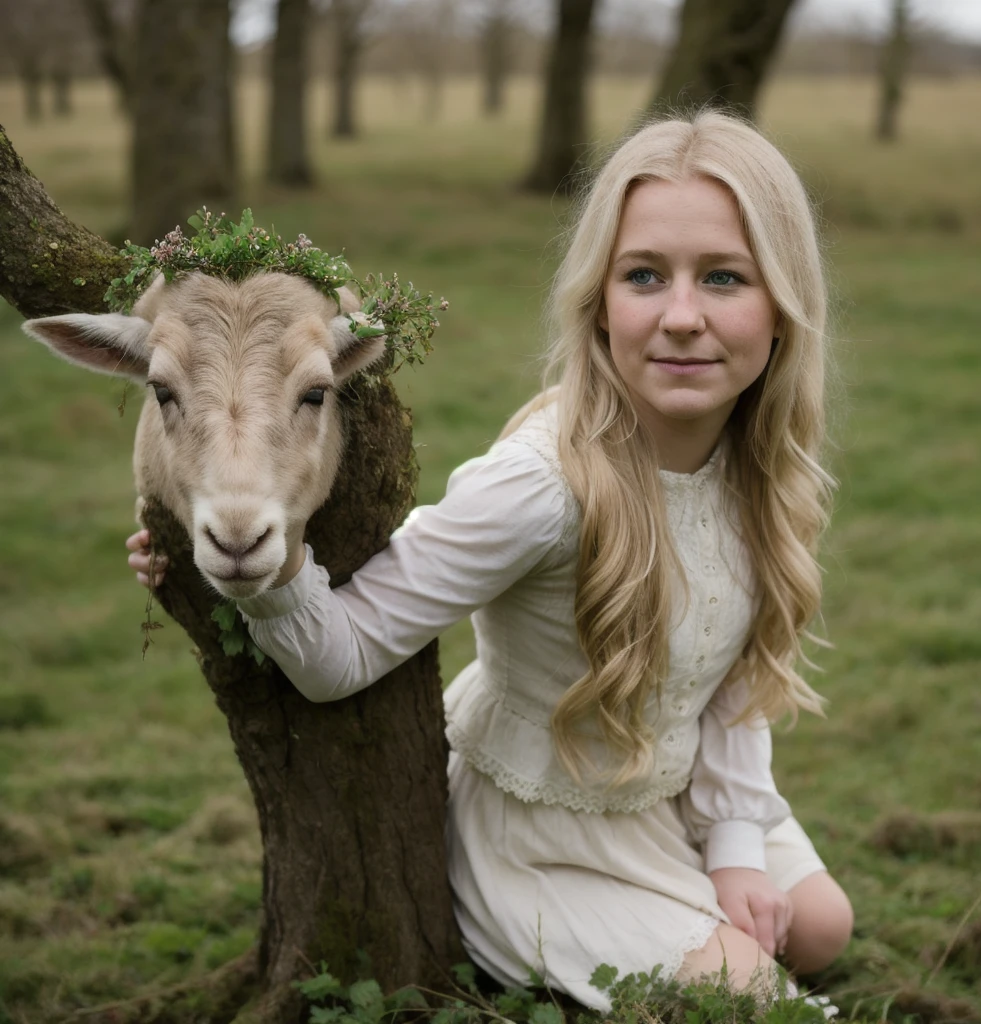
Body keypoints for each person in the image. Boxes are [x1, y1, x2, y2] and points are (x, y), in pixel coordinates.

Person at [128, 112, 853, 1007]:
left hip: (673, 789)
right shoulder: (541, 485)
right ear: (597, 300)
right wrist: (263, 567)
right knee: (749, 1002)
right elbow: (345, 652)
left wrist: (738, 847)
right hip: (543, 833)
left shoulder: (763, 462)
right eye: (643, 276)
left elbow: (739, 673)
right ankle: (558, 937)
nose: (680, 316)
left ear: (784, 307)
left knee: (822, 927)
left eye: (724, 278)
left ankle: (700, 896)